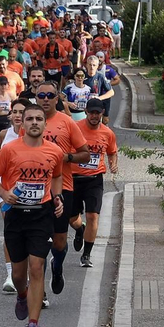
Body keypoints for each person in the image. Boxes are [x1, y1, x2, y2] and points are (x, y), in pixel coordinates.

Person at [0, 104, 68, 327]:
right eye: (29, 118)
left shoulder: (54, 151)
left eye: (38, 119)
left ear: (45, 124)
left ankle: (33, 326)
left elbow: (57, 175)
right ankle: (22, 295)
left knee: (37, 267)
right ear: (22, 123)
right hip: (15, 216)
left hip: (41, 215)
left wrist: (58, 197)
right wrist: (4, 193)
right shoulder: (10, 150)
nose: (33, 122)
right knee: (19, 274)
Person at [35, 81, 89, 298]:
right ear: (36, 98)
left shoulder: (66, 122)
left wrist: (66, 157)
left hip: (63, 188)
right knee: (40, 241)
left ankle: (57, 267)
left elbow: (85, 153)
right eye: (41, 95)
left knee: (58, 242)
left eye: (50, 95)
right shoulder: (30, 123)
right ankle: (41, 292)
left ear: (57, 98)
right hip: (36, 189)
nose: (46, 99)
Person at [72, 99, 119, 268]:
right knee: (71, 218)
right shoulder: (75, 128)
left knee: (93, 216)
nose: (94, 116)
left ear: (102, 113)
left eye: (97, 113)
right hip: (73, 178)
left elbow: (112, 152)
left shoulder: (107, 133)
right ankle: (79, 229)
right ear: (86, 111)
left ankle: (86, 254)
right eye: (91, 112)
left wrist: (113, 163)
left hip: (94, 179)